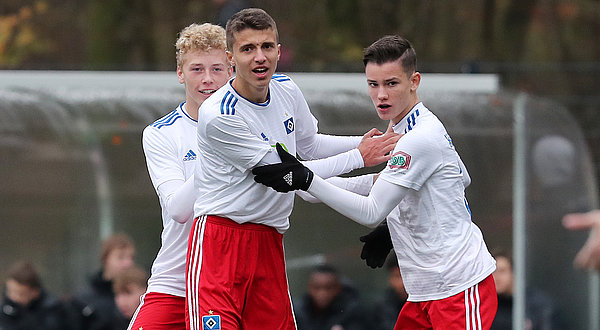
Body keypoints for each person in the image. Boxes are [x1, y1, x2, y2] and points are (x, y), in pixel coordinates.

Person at [253, 35, 498, 329]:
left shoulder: (418, 137)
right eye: (373, 84)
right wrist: (309, 184)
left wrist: (307, 180)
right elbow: (459, 177)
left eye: (391, 83)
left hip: (458, 289)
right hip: (424, 292)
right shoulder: (403, 125)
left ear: (414, 81)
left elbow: (370, 211)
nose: (381, 94)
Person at [186, 8, 399, 330]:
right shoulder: (219, 114)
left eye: (267, 46)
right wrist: (359, 157)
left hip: (269, 239)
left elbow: (310, 145)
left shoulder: (286, 88)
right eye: (248, 49)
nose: (260, 57)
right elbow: (286, 175)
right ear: (231, 58)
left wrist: (374, 143)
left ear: (278, 51)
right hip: (222, 241)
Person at [133, 22, 233, 330]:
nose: (208, 79)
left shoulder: (253, 123)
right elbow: (178, 209)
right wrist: (217, 152)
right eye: (196, 69)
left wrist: (365, 175)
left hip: (231, 282)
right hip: (175, 281)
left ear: (232, 70)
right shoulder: (161, 134)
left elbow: (297, 179)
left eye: (217, 69)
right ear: (180, 73)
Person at [70, 233, 135, 330]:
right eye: (120, 257)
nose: (128, 263)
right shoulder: (83, 301)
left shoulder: (142, 294)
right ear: (106, 259)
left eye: (131, 257)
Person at [491, 250, 565, 330]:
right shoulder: (490, 306)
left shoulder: (538, 305)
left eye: (502, 271)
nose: (496, 277)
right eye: (492, 272)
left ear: (514, 273)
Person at [293, 264, 369, 330]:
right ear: (309, 288)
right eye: (317, 287)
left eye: (328, 288)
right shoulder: (298, 312)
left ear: (338, 288)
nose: (322, 294)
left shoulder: (352, 311)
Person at [0, 260, 70, 330]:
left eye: (20, 294)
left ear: (35, 292)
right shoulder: (7, 306)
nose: (13, 297)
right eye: (10, 291)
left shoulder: (53, 308)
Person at [371, 257, 407, 330]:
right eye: (397, 276)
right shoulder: (382, 306)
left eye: (405, 276)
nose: (402, 282)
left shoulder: (425, 303)